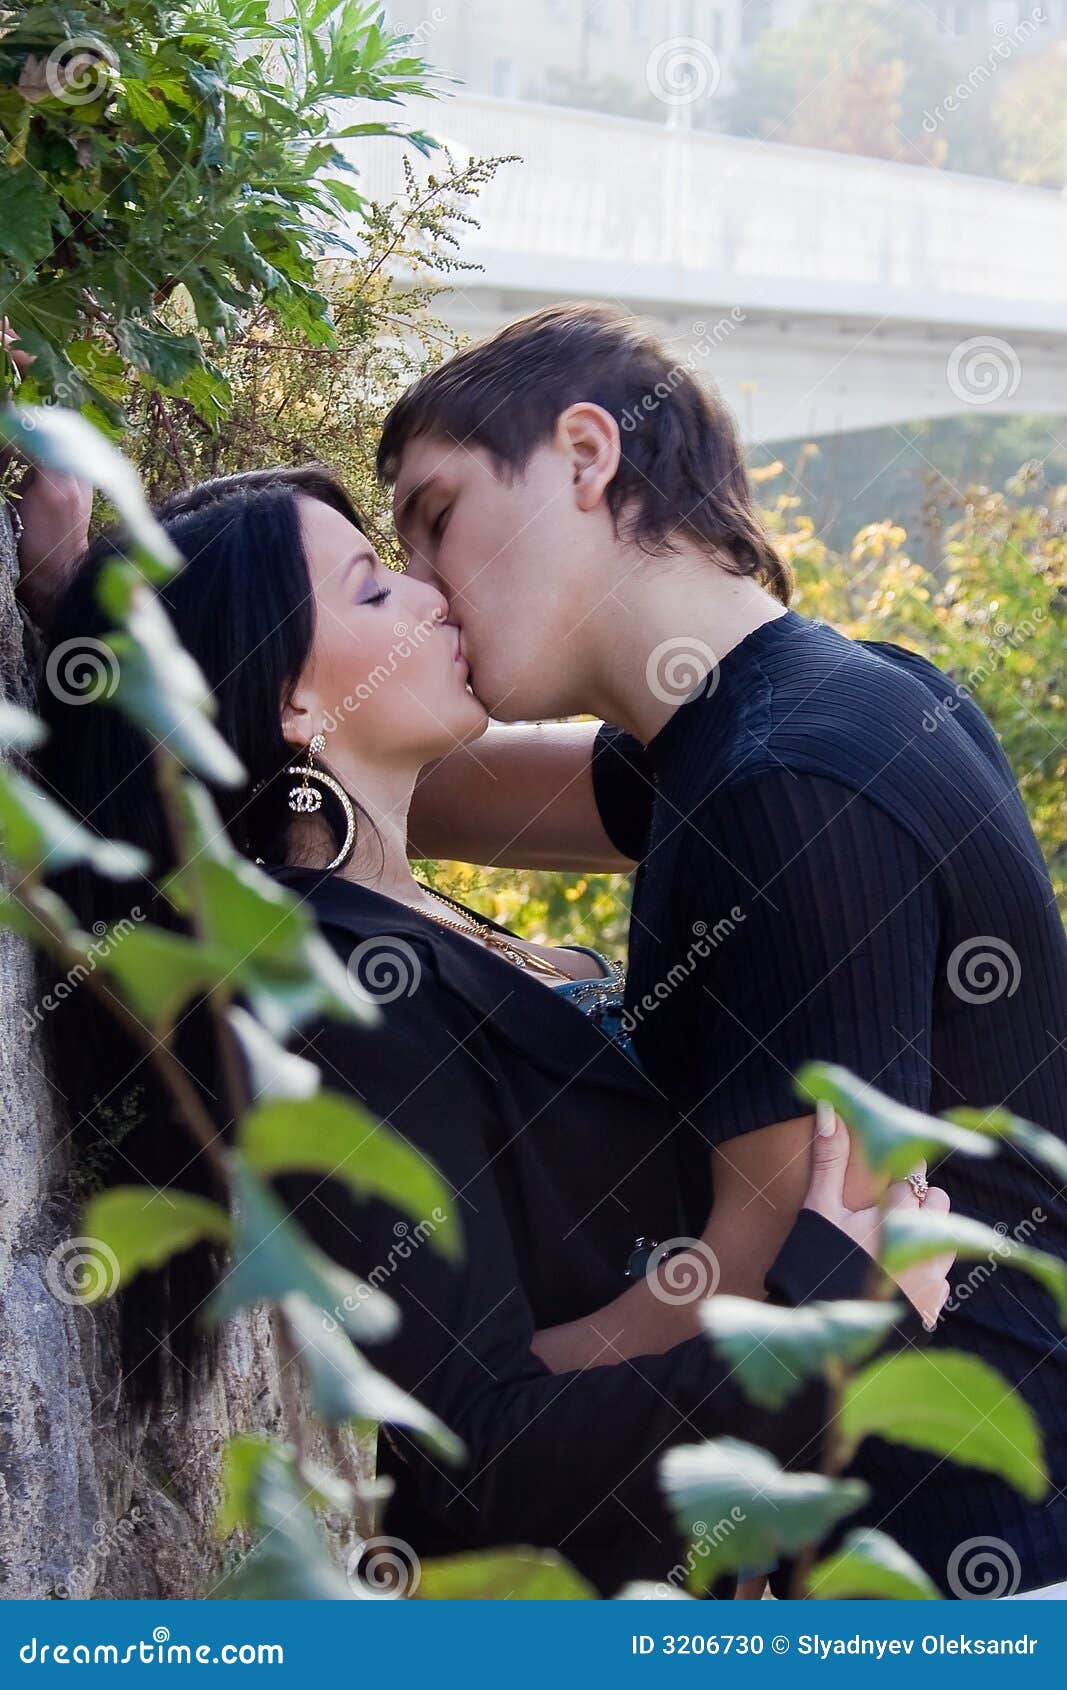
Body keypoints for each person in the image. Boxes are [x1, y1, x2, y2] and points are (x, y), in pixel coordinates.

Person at [27, 465, 947, 1597]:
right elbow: (479, 1446)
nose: (432, 595)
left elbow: (716, 758)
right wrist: (826, 1313)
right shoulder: (323, 990)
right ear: (290, 704)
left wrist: (81, 601)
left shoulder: (391, 914)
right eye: (373, 590)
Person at [375, 303, 1067, 1596]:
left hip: (954, 1572)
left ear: (585, 455)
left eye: (435, 514)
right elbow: (445, 792)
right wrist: (232, 687)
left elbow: (762, 1282)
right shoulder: (813, 706)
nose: (422, 580)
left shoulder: (781, 788)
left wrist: (450, 1411)